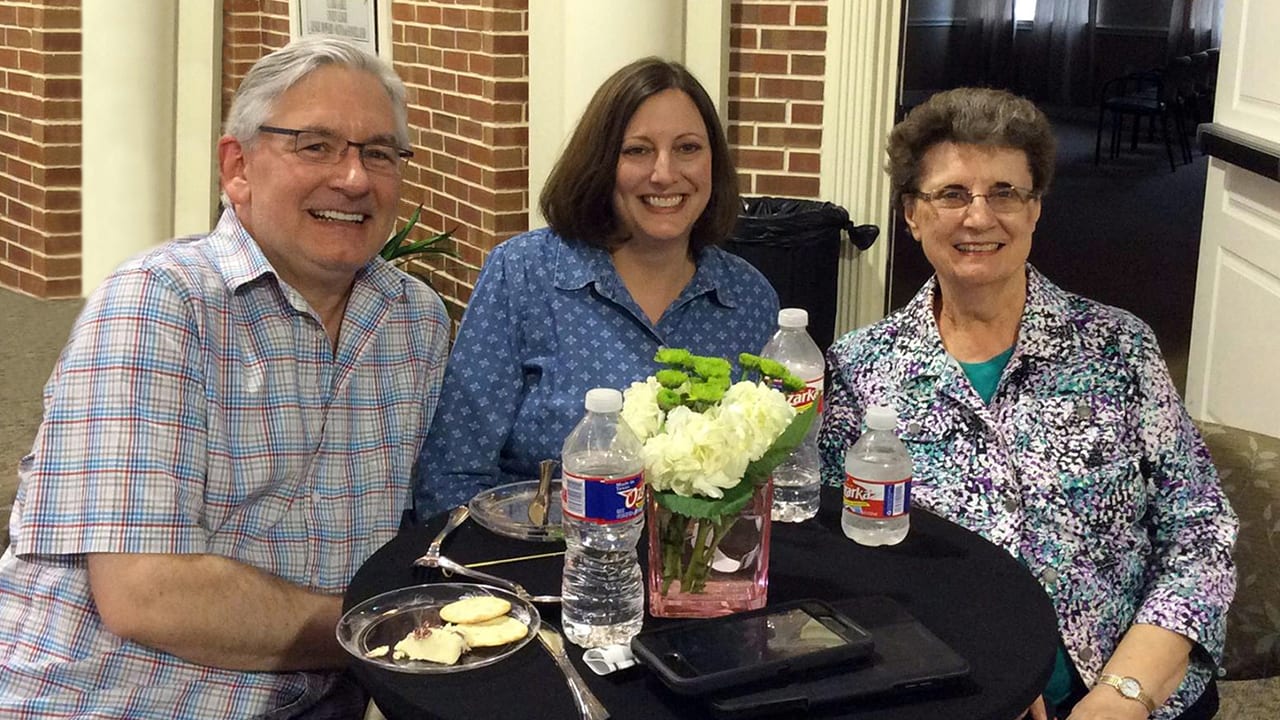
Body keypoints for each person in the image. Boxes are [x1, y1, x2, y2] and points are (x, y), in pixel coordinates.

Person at [0, 36, 449, 717]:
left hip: (313, 693)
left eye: (379, 153)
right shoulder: (160, 303)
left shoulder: (414, 321)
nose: (355, 179)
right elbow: (145, 594)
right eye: (316, 145)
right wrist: (378, 626)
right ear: (237, 167)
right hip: (118, 695)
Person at [819, 88, 1236, 720]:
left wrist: (1124, 694)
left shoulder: (1119, 349)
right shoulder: (858, 369)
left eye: (1006, 192)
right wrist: (979, 677)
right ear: (911, 214)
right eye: (952, 194)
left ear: (1036, 207)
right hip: (953, 693)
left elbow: (1200, 531)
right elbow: (846, 562)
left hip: (1135, 692)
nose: (979, 218)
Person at [413, 57, 779, 516]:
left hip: (698, 572)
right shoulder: (524, 274)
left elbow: (767, 477)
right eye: (637, 151)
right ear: (601, 162)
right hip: (534, 567)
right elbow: (453, 474)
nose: (664, 173)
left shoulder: (749, 298)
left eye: (687, 148)